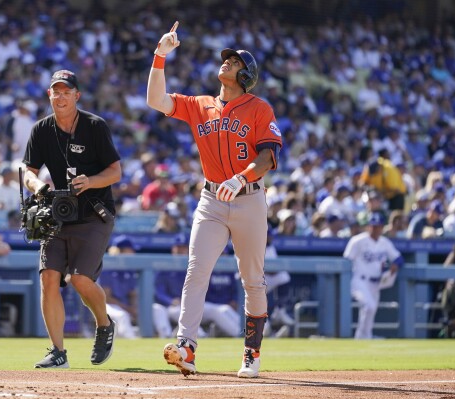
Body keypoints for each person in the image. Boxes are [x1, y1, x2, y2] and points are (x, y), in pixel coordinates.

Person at [147, 22, 283, 378]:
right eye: (227, 59)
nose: (226, 62)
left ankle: (251, 353)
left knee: (252, 279)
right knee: (197, 270)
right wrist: (160, 56)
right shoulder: (200, 104)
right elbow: (155, 100)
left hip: (249, 198)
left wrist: (241, 177)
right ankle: (187, 347)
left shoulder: (259, 108)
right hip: (211, 199)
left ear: (246, 74)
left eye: (235, 61)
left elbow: (268, 157)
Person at [22, 69, 122, 369]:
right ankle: (57, 351)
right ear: (49, 95)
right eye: (56, 91)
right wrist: (37, 185)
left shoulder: (94, 126)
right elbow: (27, 170)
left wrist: (90, 181)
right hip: (58, 214)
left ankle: (104, 324)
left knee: (79, 279)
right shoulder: (41, 129)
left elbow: (116, 172)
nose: (61, 96)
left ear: (77, 95)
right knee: (48, 278)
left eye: (67, 91)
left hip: (94, 213)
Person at [343, 212, 404, 339]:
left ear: (383, 227)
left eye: (378, 226)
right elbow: (346, 261)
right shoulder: (357, 241)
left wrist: (395, 266)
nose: (375, 229)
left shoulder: (384, 242)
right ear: (368, 226)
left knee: (371, 309)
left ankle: (364, 336)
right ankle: (362, 336)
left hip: (377, 283)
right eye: (373, 226)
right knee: (369, 306)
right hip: (359, 280)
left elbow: (399, 258)